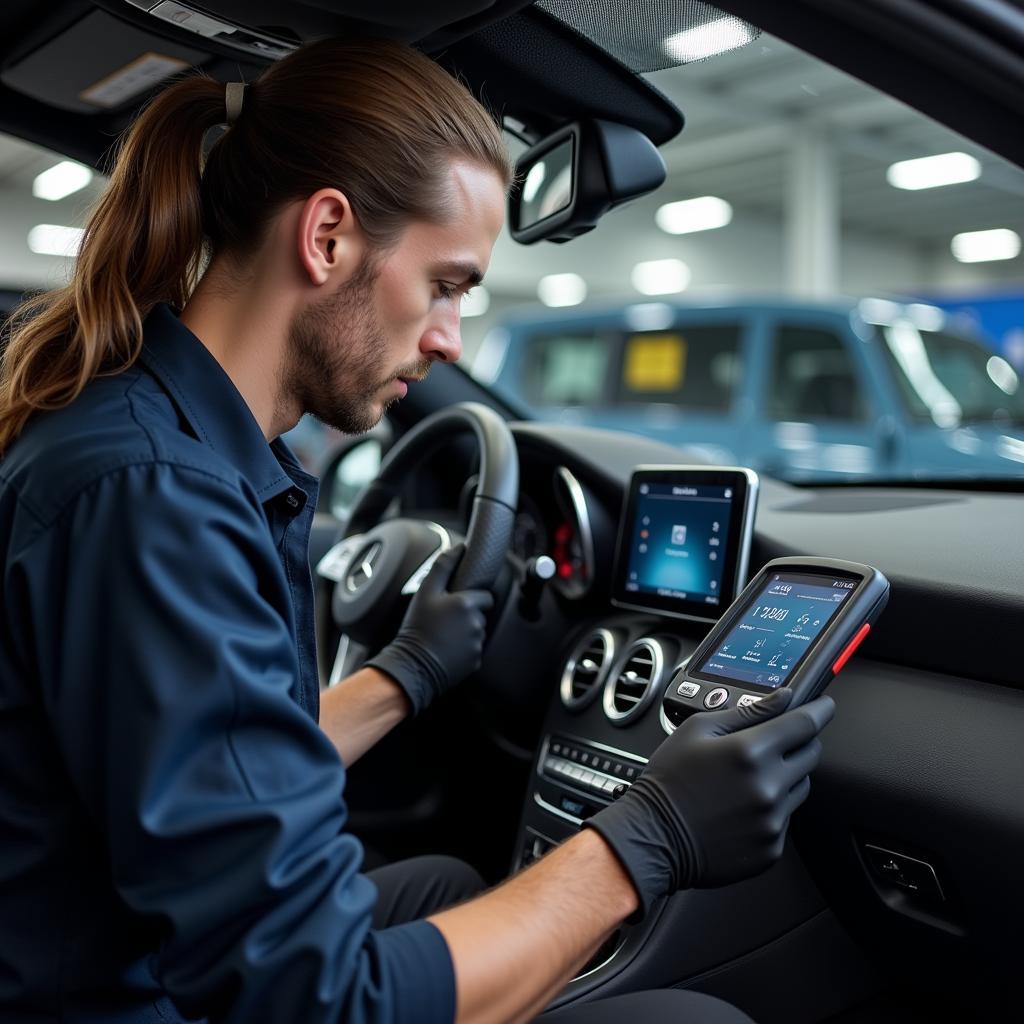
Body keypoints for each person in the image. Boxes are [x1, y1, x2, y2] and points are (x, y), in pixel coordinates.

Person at [0, 37, 834, 1024]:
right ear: (326, 238)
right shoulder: (155, 498)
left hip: (118, 949)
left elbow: (214, 771)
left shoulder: (160, 443)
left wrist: (407, 674)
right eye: (444, 285)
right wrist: (644, 839)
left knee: (440, 883)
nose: (449, 340)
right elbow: (317, 998)